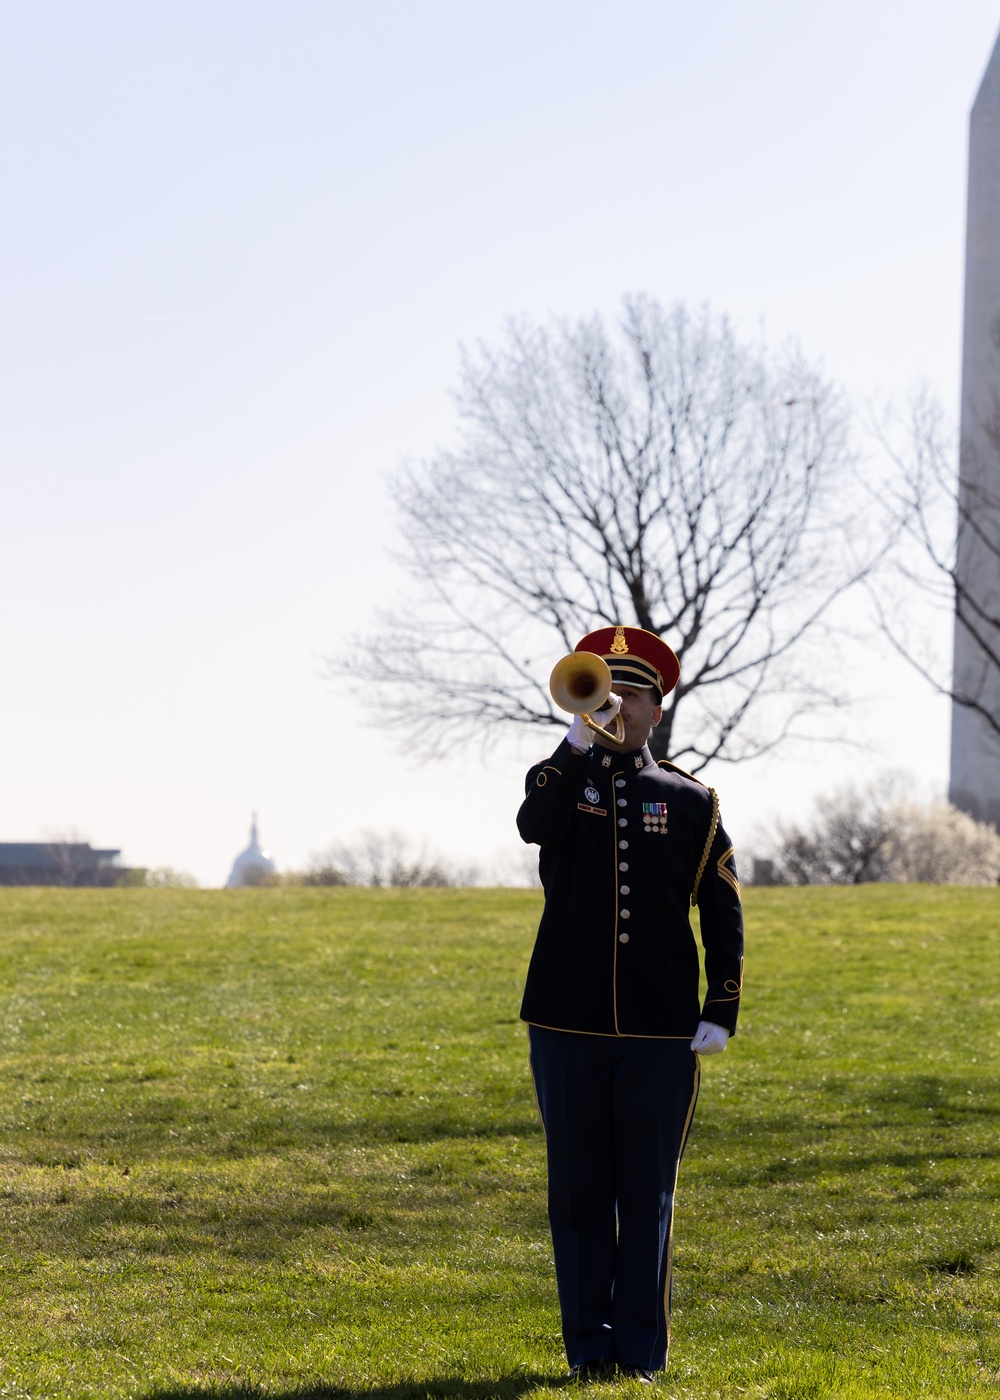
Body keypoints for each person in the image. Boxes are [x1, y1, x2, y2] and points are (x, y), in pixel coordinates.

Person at [517, 625, 743, 1382]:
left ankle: (640, 1355)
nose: (617, 706)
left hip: (660, 1030)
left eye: (631, 696)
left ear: (656, 710)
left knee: (648, 1195)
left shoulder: (691, 801)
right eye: (605, 694)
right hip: (565, 1024)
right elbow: (532, 827)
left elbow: (722, 911)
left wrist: (721, 1008)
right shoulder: (560, 779)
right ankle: (588, 1352)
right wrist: (575, 743)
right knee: (579, 1194)